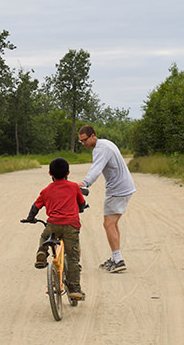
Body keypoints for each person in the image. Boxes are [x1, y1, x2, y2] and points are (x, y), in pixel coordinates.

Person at [24, 157, 87, 300]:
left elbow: (36, 206)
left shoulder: (46, 190)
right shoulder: (73, 187)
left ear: (49, 173)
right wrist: (80, 209)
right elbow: (81, 204)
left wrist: (30, 218)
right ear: (68, 172)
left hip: (53, 225)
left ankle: (42, 252)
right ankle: (74, 288)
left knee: (44, 237)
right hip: (71, 225)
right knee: (72, 257)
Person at [78, 125, 136, 273]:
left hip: (118, 189)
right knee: (113, 223)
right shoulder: (105, 143)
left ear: (92, 136)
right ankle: (115, 257)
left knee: (108, 224)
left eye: (84, 140)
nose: (83, 143)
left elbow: (96, 168)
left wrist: (85, 183)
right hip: (123, 187)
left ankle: (118, 259)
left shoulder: (100, 149)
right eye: (81, 141)